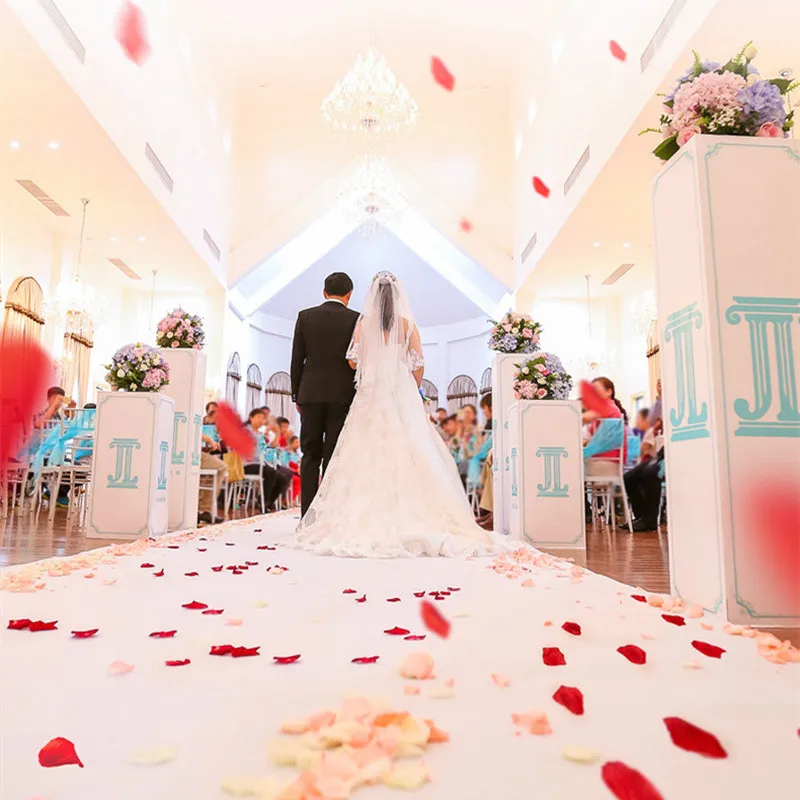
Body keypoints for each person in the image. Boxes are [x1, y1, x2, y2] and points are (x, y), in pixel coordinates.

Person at [293, 271, 494, 557]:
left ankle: (329, 515)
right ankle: (415, 513)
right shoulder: (408, 325)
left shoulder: (363, 323)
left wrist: (369, 365)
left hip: (369, 392)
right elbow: (418, 365)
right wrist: (411, 388)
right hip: (399, 392)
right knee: (409, 449)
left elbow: (352, 361)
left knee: (355, 452)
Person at [291, 272, 361, 516]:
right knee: (333, 454)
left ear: (324, 292)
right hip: (342, 396)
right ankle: (327, 514)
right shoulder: (357, 319)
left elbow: (297, 359)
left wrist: (296, 394)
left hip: (310, 393)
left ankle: (307, 514)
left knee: (310, 453)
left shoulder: (305, 316)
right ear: (349, 295)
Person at [243, 408, 292, 511]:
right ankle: (263, 502)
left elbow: (270, 448)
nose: (261, 420)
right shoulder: (246, 431)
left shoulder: (260, 434)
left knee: (282, 479)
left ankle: (269, 502)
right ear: (251, 418)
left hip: (260, 464)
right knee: (270, 472)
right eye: (258, 417)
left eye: (263, 418)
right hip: (247, 464)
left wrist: (277, 433)